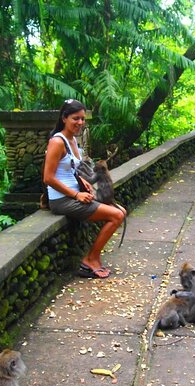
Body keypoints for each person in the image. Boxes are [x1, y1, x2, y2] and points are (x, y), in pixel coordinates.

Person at [43, 99, 125, 279]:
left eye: (82, 119)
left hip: (76, 195)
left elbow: (67, 168)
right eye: (75, 118)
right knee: (117, 215)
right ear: (64, 118)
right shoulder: (57, 142)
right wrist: (76, 194)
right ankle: (90, 259)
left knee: (121, 210)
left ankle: (92, 256)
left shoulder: (72, 140)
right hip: (62, 200)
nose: (80, 123)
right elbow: (48, 178)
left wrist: (82, 181)